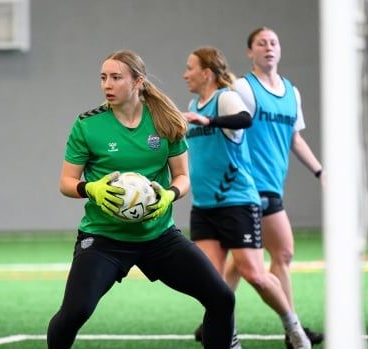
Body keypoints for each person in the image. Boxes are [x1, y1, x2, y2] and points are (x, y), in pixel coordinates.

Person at [47, 49, 235, 349]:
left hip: (159, 236)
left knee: (222, 298)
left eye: (116, 78)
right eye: (103, 78)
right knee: (74, 313)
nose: (107, 84)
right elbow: (66, 183)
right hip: (104, 238)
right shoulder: (87, 125)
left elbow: (183, 177)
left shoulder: (164, 120)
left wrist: (168, 196)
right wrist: (91, 188)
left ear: (138, 82)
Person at [183, 47, 312, 349]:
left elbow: (244, 119)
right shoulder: (192, 104)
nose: (185, 73)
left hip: (237, 202)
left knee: (254, 274)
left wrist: (209, 122)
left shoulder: (225, 98)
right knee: (212, 286)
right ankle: (230, 339)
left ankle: (294, 328)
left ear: (207, 73)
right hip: (204, 207)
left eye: (190, 68)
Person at [229, 27, 325, 348]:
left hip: (273, 185)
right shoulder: (243, 89)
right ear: (250, 52)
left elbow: (295, 139)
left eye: (273, 42)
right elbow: (228, 134)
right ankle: (292, 330)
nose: (268, 47)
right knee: (282, 253)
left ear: (279, 50)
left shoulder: (291, 92)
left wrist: (320, 171)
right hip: (251, 188)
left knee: (242, 261)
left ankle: (212, 319)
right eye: (261, 43)